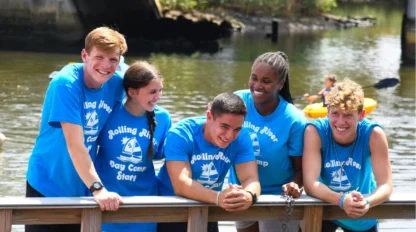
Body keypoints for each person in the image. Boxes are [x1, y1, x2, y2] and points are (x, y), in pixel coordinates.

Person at [26, 26, 128, 232]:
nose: (106, 66)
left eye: (113, 60)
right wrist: (98, 189)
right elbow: (74, 144)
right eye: (99, 57)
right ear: (84, 55)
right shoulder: (66, 83)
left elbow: (144, 88)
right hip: (47, 182)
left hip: (82, 185)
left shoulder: (117, 82)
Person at [157, 92, 261, 232]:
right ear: (209, 116)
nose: (230, 136)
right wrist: (218, 197)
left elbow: (251, 178)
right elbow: (181, 184)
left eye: (237, 129)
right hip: (170, 211)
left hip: (209, 208)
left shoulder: (242, 137)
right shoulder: (180, 134)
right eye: (224, 126)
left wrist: (248, 196)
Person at [228, 51, 307, 232]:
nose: (257, 85)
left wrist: (295, 184)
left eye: (266, 81)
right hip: (241, 194)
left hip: (277, 200)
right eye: (254, 78)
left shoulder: (294, 120)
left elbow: (301, 169)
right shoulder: (237, 101)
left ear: (280, 84)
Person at [303, 78, 392, 232]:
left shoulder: (374, 134)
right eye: (335, 113)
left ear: (361, 115)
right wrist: (342, 200)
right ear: (328, 111)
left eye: (348, 115)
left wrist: (366, 202)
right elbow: (310, 183)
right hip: (325, 207)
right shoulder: (314, 131)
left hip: (360, 213)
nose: (340, 122)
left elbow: (386, 185)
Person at [95, 61, 171, 232]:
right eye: (152, 92)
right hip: (107, 200)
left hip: (145, 203)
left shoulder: (163, 118)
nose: (158, 96)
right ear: (132, 92)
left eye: (160, 90)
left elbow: (162, 154)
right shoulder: (108, 112)